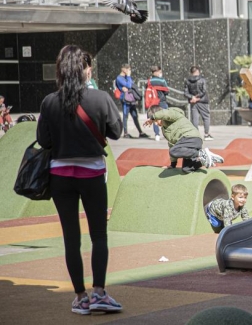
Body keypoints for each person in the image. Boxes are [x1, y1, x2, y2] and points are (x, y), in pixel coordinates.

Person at [37, 45, 124, 315]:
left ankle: (80, 297)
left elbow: (43, 140)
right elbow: (117, 131)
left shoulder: (49, 101)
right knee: (98, 235)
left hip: (60, 176)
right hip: (93, 175)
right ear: (85, 70)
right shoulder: (100, 98)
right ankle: (99, 293)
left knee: (71, 238)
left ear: (61, 71)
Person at [144, 105, 223, 173]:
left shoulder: (172, 113)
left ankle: (202, 154)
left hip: (191, 138)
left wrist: (152, 117)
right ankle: (206, 160)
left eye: (156, 121)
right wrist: (173, 165)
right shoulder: (164, 130)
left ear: (159, 115)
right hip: (186, 144)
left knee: (174, 151)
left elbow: (165, 113)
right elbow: (172, 144)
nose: (156, 124)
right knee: (186, 169)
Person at [115, 64, 147, 139]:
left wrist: (128, 84)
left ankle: (140, 132)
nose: (129, 71)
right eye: (128, 69)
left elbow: (131, 84)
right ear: (123, 69)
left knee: (135, 115)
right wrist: (128, 77)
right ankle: (125, 133)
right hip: (125, 99)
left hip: (131, 99)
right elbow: (129, 85)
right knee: (125, 116)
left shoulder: (126, 77)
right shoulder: (119, 78)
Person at [184, 66, 212, 141]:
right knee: (206, 117)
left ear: (191, 72)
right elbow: (204, 91)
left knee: (195, 119)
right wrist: (197, 97)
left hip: (193, 102)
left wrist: (192, 97)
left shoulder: (187, 81)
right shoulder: (202, 80)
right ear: (198, 72)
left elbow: (185, 93)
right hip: (202, 101)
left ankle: (196, 135)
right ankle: (206, 134)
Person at [148, 66, 170, 142]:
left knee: (155, 118)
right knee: (166, 117)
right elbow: (167, 91)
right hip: (162, 101)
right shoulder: (162, 80)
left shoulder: (150, 81)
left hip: (153, 102)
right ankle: (167, 133)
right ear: (156, 72)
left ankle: (157, 134)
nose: (161, 73)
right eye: (160, 72)